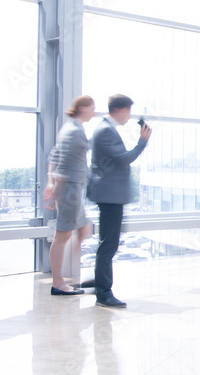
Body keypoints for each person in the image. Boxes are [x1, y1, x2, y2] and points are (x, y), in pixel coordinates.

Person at [86, 94, 151, 309]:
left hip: (110, 195)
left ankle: (102, 288)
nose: (129, 116)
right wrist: (142, 143)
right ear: (121, 109)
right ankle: (104, 293)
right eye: (128, 111)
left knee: (107, 244)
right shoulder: (105, 130)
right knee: (108, 245)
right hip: (109, 196)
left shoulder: (106, 128)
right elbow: (123, 159)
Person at [45, 95, 96, 295]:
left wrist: (51, 181)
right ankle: (58, 283)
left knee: (83, 231)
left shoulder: (71, 128)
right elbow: (63, 162)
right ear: (83, 108)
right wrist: (56, 188)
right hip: (69, 189)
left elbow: (55, 154)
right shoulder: (74, 131)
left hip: (72, 188)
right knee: (62, 236)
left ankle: (70, 277)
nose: (94, 112)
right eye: (92, 108)